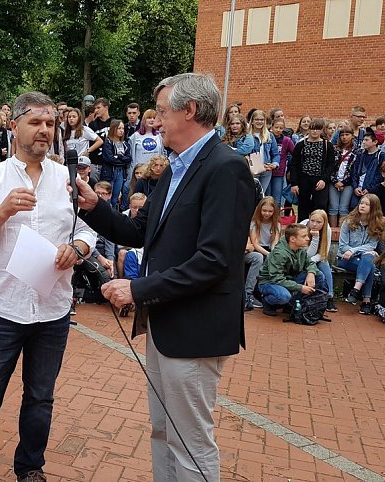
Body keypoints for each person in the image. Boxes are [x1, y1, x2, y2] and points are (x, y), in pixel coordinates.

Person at [75, 73, 253, 482]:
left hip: (195, 328)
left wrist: (137, 287)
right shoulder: (176, 168)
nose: (155, 121)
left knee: (190, 440)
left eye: (162, 111)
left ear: (189, 111)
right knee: (163, 430)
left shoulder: (226, 168)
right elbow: (140, 231)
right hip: (164, 322)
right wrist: (95, 207)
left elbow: (214, 261)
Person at [0, 92, 95, 482]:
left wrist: (76, 248)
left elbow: (85, 229)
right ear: (14, 126)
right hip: (2, 309)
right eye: (36, 122)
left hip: (53, 309)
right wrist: (3, 211)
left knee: (40, 397)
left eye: (50, 123)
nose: (44, 130)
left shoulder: (66, 178)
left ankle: (30, 468)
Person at [257, 224, 328, 317]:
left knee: (319, 275)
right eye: (304, 236)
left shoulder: (300, 249)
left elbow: (310, 263)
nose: (308, 238)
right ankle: (268, 302)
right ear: (293, 239)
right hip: (269, 282)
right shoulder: (279, 253)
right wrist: (300, 288)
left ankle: (295, 304)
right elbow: (276, 279)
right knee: (283, 296)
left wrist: (311, 273)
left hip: (289, 279)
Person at [338, 194, 385, 315]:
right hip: (345, 259)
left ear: (374, 208)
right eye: (361, 203)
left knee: (369, 260)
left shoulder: (377, 225)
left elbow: (371, 245)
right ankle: (366, 301)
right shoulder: (348, 222)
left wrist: (355, 250)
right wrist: (354, 251)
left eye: (367, 204)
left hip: (363, 259)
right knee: (370, 264)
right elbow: (343, 246)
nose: (362, 206)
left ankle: (356, 290)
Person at [289, 117, 334, 221]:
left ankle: (320, 228)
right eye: (312, 128)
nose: (314, 131)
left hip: (320, 179)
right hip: (304, 180)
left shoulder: (327, 145)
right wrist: (294, 183)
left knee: (320, 205)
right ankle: (302, 230)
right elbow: (294, 164)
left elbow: (331, 165)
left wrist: (324, 179)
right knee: (303, 206)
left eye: (317, 129)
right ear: (308, 129)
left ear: (322, 130)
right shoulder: (301, 145)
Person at [302, 210, 338, 312]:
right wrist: (315, 237)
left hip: (318, 257)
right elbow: (306, 254)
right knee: (320, 269)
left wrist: (313, 260)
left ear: (324, 223)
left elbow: (324, 253)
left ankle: (329, 296)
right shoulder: (303, 225)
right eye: (312, 220)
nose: (314, 224)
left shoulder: (327, 230)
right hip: (303, 257)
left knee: (324, 263)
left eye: (319, 222)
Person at [329, 126, 358, 227]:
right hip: (334, 182)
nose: (344, 137)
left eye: (347, 135)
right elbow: (330, 166)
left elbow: (355, 170)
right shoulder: (335, 149)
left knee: (343, 208)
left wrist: (344, 182)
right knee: (333, 207)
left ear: (352, 136)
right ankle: (333, 230)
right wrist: (335, 181)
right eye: (342, 135)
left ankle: (342, 231)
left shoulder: (357, 151)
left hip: (348, 183)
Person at [100, 119, 132, 210]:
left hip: (120, 173)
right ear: (113, 129)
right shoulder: (108, 142)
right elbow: (109, 158)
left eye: (122, 128)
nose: (121, 130)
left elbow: (128, 158)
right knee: (107, 197)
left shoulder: (125, 143)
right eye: (119, 128)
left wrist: (118, 157)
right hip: (109, 172)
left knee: (115, 198)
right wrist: (121, 158)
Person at [351, 129, 385, 206]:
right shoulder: (360, 154)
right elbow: (354, 172)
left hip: (372, 192)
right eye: (363, 139)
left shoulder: (381, 156)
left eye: (367, 140)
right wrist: (355, 187)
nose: (363, 142)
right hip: (357, 190)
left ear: (375, 142)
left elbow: (380, 175)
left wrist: (369, 189)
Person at [248, 110, 280, 194]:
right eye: (257, 119)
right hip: (252, 170)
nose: (259, 122)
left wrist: (275, 164)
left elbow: (275, 153)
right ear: (252, 121)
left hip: (267, 170)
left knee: (261, 194)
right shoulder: (247, 135)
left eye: (262, 120)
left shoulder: (269, 135)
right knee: (252, 194)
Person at [269, 119, 293, 203]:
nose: (278, 130)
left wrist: (290, 169)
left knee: (276, 199)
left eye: (281, 128)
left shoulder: (286, 140)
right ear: (271, 127)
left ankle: (276, 215)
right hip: (266, 171)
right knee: (267, 197)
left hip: (278, 173)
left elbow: (294, 154)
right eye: (276, 127)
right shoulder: (266, 138)